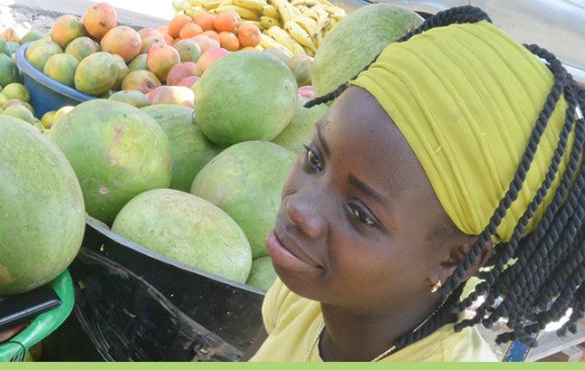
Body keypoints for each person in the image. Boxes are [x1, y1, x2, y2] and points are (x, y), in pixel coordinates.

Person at [248, 5, 585, 362]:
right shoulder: (306, 298)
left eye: (360, 214)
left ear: (456, 258)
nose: (299, 209)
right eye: (315, 160)